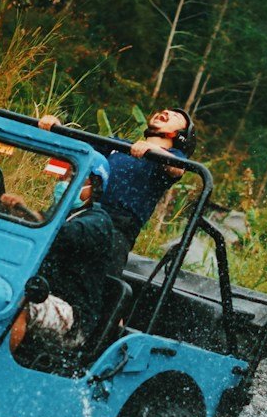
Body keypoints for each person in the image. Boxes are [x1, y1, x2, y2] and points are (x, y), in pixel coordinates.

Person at [15, 163, 129, 356]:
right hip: (40, 292)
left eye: (74, 178)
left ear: (94, 187)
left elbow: (65, 235)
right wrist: (14, 213)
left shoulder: (98, 222)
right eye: (63, 178)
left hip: (73, 317)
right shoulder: (56, 215)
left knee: (16, 305)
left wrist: (32, 218)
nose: (64, 183)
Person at [39, 107, 195, 245]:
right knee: (38, 223)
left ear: (181, 136)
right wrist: (57, 128)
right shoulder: (119, 146)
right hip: (83, 212)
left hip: (117, 227)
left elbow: (178, 168)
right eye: (165, 111)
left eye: (175, 116)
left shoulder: (172, 158)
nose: (166, 112)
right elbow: (80, 148)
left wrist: (152, 150)